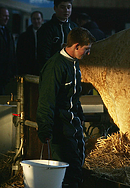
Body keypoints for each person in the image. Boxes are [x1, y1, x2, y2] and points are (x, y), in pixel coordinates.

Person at [36, 27, 96, 188]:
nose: (88, 54)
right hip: (60, 128)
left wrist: (80, 117)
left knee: (77, 165)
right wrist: (45, 129)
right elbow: (46, 100)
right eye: (86, 49)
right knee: (68, 172)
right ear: (76, 46)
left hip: (72, 125)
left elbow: (74, 97)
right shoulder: (56, 66)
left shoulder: (74, 63)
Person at [37, 0, 77, 73]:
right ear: (55, 8)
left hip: (71, 70)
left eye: (69, 7)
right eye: (62, 7)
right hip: (52, 70)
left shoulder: (74, 27)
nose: (66, 10)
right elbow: (43, 54)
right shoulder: (47, 28)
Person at [16, 11, 44, 75]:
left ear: (42, 20)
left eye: (38, 19)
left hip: (42, 68)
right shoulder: (23, 36)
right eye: (34, 19)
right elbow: (19, 54)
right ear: (31, 20)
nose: (36, 21)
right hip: (28, 69)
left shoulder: (47, 35)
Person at [0, 7, 16, 95]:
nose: (7, 18)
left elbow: (12, 52)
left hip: (5, 73)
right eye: (4, 16)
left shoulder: (7, 32)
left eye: (8, 16)